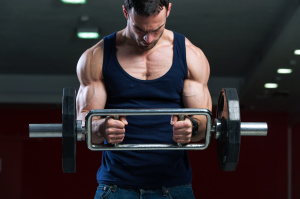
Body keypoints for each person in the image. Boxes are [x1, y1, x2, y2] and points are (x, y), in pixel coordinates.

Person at [76, 0, 212, 198]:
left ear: (169, 10)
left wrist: (192, 126)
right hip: (116, 186)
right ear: (125, 12)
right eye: (139, 29)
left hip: (173, 187)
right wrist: (102, 128)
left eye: (157, 29)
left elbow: (204, 124)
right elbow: (84, 127)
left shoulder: (191, 56)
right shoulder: (96, 57)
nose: (148, 38)